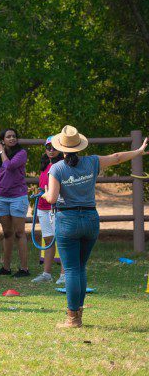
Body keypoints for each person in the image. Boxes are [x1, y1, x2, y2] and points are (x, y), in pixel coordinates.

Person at [43, 126, 148, 328]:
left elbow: (53, 198)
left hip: (68, 220)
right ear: (79, 146)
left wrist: (46, 193)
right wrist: (138, 151)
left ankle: (73, 319)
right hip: (91, 218)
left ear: (61, 147)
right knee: (80, 267)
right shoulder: (92, 161)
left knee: (72, 269)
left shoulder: (56, 168)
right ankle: (78, 314)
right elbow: (117, 157)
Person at [0, 128, 30, 277]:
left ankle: (24, 268)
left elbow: (9, 166)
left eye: (14, 136)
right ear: (3, 140)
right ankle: (6, 267)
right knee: (7, 232)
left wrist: (0, 151)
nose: (12, 138)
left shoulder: (21, 154)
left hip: (18, 197)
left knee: (19, 233)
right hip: (1, 198)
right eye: (8, 137)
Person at [32, 136, 65, 284]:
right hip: (43, 207)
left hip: (56, 207)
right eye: (48, 147)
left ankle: (64, 274)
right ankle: (47, 273)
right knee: (48, 240)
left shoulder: (63, 165)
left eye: (54, 147)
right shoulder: (45, 164)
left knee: (62, 241)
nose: (51, 150)